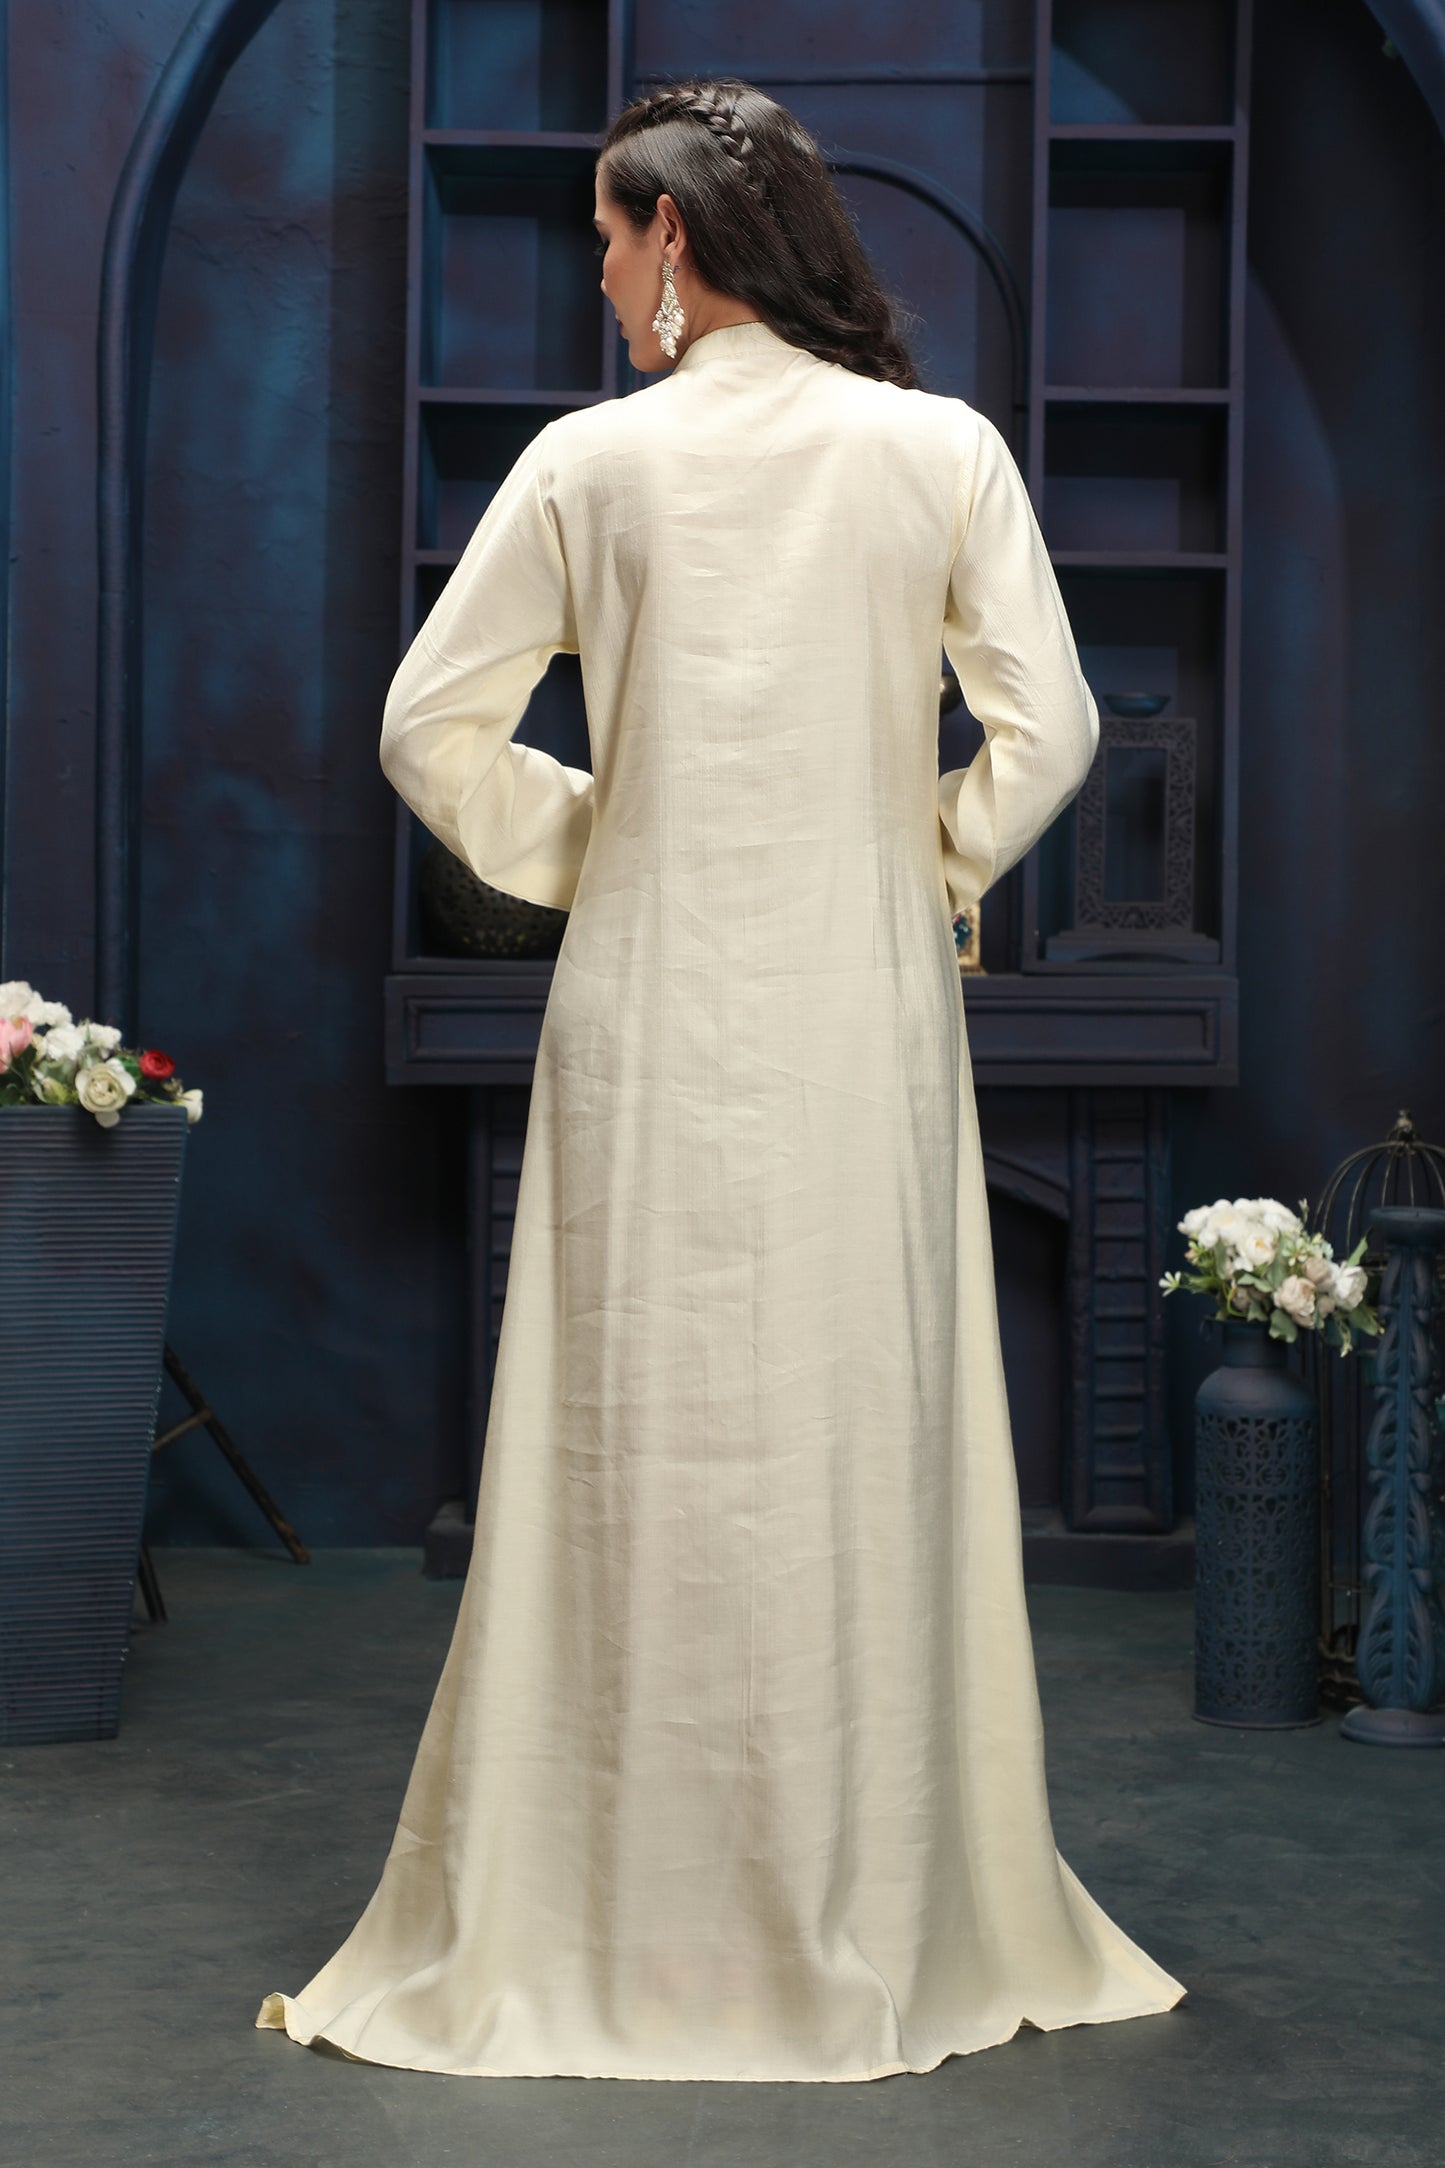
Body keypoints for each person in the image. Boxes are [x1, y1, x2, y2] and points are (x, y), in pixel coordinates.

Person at [256, 76, 1185, 2083]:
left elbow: (430, 727)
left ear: (671, 233)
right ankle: (875, 1887)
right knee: (857, 1426)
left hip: (652, 1008)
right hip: (860, 1009)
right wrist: (917, 855)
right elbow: (1054, 730)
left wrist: (609, 840)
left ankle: (616, 1906)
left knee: (634, 1438)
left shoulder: (588, 464)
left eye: (605, 242)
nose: (596, 280)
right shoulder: (936, 448)